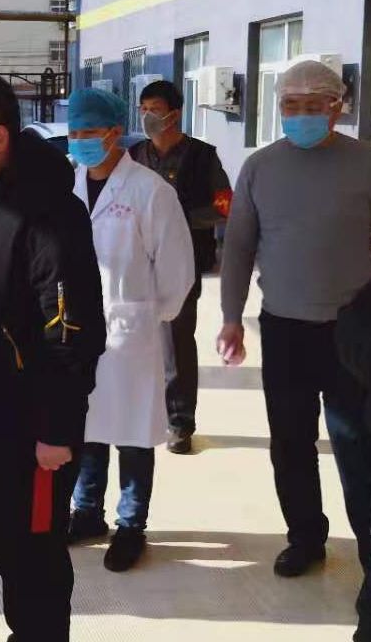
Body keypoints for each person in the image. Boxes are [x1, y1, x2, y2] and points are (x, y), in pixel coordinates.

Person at [0, 75, 105, 642]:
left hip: (35, 422)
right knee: (1, 536)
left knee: (36, 553)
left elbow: (71, 328)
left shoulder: (50, 213)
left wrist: (57, 428)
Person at [219, 61, 371, 638]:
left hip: (353, 330)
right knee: (290, 443)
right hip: (284, 328)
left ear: (338, 105)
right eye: (290, 104)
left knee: (358, 449)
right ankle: (305, 536)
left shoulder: (364, 162)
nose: (301, 114)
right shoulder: (260, 167)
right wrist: (230, 318)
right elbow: (238, 247)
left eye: (314, 104)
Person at [64, 88, 195, 573]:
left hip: (130, 331)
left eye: (90, 132)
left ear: (115, 132)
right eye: (74, 132)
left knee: (134, 435)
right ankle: (87, 513)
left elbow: (177, 269)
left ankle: (131, 524)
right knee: (87, 427)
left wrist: (147, 315)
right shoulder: (67, 184)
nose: (80, 141)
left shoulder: (150, 190)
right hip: (76, 331)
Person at [129, 80, 232, 454]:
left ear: (174, 114)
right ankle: (142, 412)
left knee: (175, 342)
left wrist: (180, 217)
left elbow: (225, 205)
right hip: (136, 261)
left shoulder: (203, 156)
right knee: (135, 339)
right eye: (142, 109)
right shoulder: (134, 155)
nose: (147, 116)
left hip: (183, 261)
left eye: (154, 109)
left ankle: (179, 422)